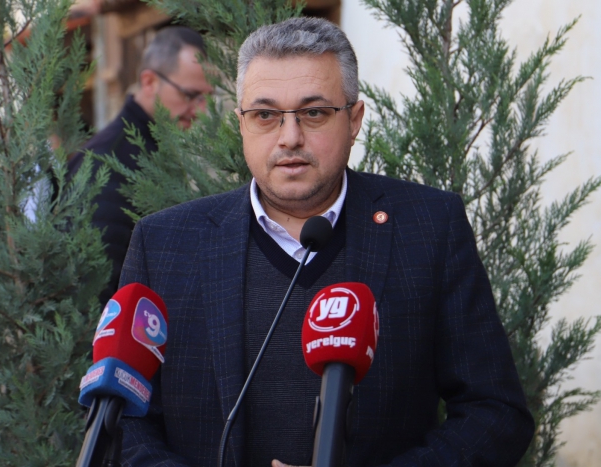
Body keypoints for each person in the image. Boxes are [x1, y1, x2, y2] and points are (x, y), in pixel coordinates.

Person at [118, 17, 534, 467]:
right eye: (265, 115)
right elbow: (123, 420)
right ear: (241, 124)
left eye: (314, 113)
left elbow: (495, 412)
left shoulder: (430, 227)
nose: (290, 137)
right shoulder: (165, 245)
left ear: (354, 120)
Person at [67, 26, 213, 306]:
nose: (202, 111)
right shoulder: (109, 161)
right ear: (149, 82)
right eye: (190, 95)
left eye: (206, 97)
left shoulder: (151, 150)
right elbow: (95, 288)